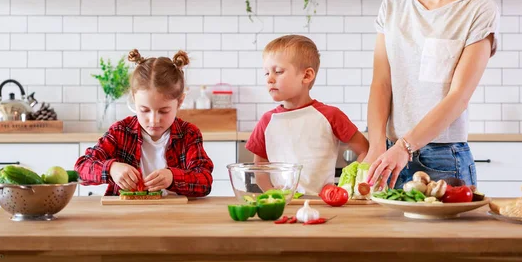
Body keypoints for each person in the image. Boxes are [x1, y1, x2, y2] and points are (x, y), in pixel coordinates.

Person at [364, 0, 500, 190]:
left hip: (443, 158)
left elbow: (458, 97)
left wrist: (405, 147)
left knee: (450, 240)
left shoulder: (478, 10)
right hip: (389, 154)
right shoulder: (392, 8)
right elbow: (381, 83)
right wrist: (376, 146)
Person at [75, 49, 214, 196]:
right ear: (134, 99)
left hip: (175, 216)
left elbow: (205, 181)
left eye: (164, 111)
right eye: (144, 110)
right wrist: (111, 169)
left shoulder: (188, 134)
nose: (154, 120)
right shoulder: (120, 131)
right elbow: (81, 169)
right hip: (127, 217)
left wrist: (173, 177)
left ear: (179, 102)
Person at [246, 35, 369, 195]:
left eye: (278, 71)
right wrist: (273, 194)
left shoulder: (331, 115)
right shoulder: (267, 121)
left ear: (307, 76)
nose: (269, 79)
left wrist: (346, 186)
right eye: (266, 73)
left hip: (325, 204)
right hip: (284, 205)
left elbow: (365, 150)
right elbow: (259, 167)